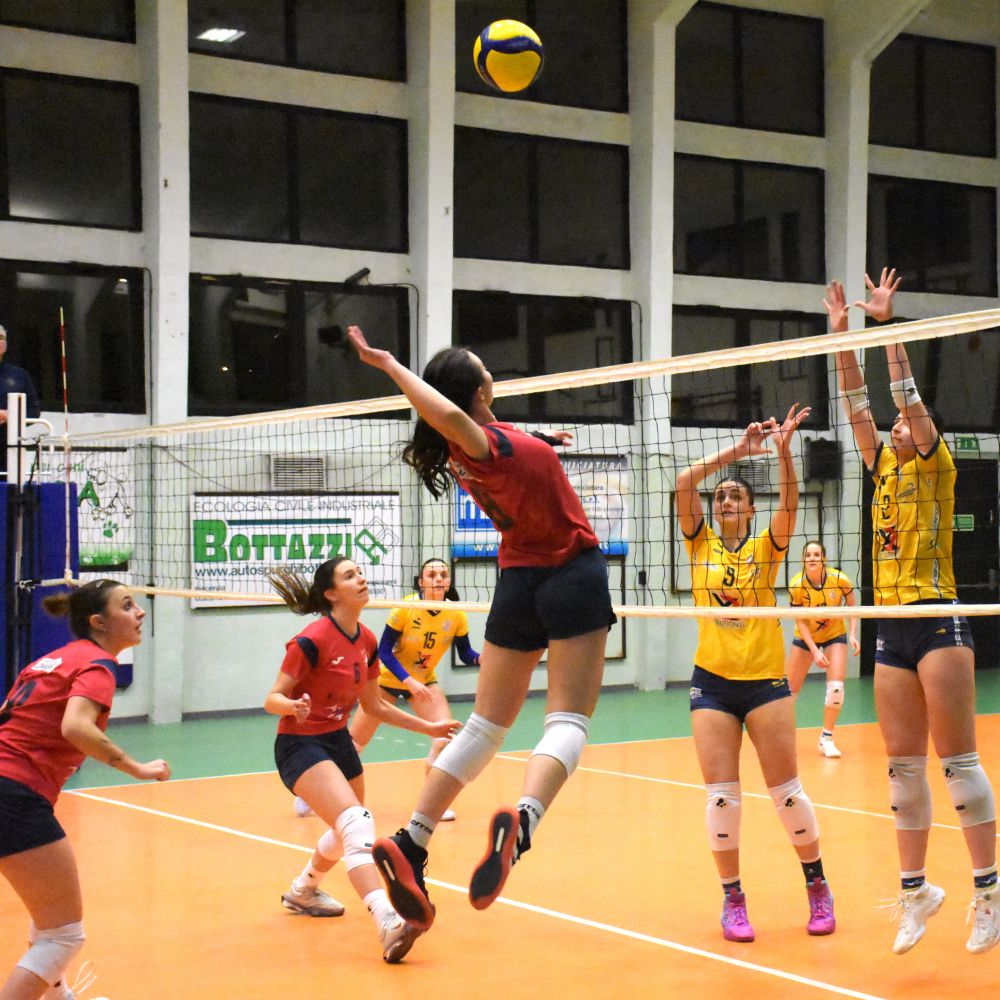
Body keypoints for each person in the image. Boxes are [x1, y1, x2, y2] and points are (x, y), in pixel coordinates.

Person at [346, 325, 615, 933]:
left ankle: (413, 839)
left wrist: (541, 440)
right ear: (477, 391)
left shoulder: (479, 446)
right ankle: (524, 821)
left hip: (518, 579)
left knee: (485, 726)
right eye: (483, 367)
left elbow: (480, 430)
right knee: (568, 721)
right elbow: (449, 415)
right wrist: (389, 365)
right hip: (571, 572)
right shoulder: (474, 440)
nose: (491, 370)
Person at [827, 267, 998, 955]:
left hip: (938, 618)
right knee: (902, 770)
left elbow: (906, 397)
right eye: (894, 423)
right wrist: (841, 337)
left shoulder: (935, 463)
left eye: (904, 422)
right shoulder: (883, 468)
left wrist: (887, 328)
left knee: (957, 763)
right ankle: (916, 892)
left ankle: (989, 892)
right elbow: (854, 403)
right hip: (890, 625)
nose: (895, 423)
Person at [675, 404, 836, 943]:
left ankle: (817, 885)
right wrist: (738, 452)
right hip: (712, 685)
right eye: (721, 495)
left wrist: (784, 454)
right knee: (722, 797)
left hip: (766, 684)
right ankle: (733, 900)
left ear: (749, 509)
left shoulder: (767, 548)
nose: (725, 500)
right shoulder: (699, 542)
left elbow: (789, 502)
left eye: (735, 496)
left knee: (786, 793)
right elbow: (684, 483)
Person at [264, 558, 460, 964]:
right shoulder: (311, 640)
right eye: (350, 575)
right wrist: (292, 706)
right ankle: (387, 920)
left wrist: (430, 728)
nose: (362, 578)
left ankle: (303, 890)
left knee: (346, 830)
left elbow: (376, 707)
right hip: (300, 744)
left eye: (360, 572)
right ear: (331, 594)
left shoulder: (367, 640)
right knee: (357, 823)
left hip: (337, 741)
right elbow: (271, 698)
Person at [0, 579, 170, 1000]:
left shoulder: (51, 660)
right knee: (63, 936)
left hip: (10, 788)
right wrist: (135, 767)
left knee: (49, 917)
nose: (139, 612)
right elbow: (75, 726)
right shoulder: (97, 664)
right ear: (99, 622)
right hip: (13, 794)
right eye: (126, 605)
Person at [344, 557, 480, 823]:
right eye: (432, 575)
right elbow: (384, 651)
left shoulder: (457, 613)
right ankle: (318, 796)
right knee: (354, 745)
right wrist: (409, 681)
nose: (438, 579)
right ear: (421, 582)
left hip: (425, 682)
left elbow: (465, 653)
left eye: (443, 575)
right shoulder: (406, 607)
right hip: (388, 680)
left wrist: (481, 659)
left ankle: (432, 805)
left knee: (444, 738)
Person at [785, 541, 860, 758]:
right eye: (808, 555)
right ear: (803, 559)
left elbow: (853, 605)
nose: (812, 558)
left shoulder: (839, 579)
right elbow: (799, 620)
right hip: (805, 636)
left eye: (816, 554)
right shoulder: (797, 585)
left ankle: (826, 739)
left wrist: (853, 633)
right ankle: (783, 738)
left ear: (823, 558)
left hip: (834, 634)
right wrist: (814, 650)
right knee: (788, 693)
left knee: (836, 689)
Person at [0, 324, 41, 478]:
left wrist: (11, 416)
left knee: (8, 488)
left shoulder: (20, 376)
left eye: (1, 338)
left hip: (9, 449)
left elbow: (34, 411)